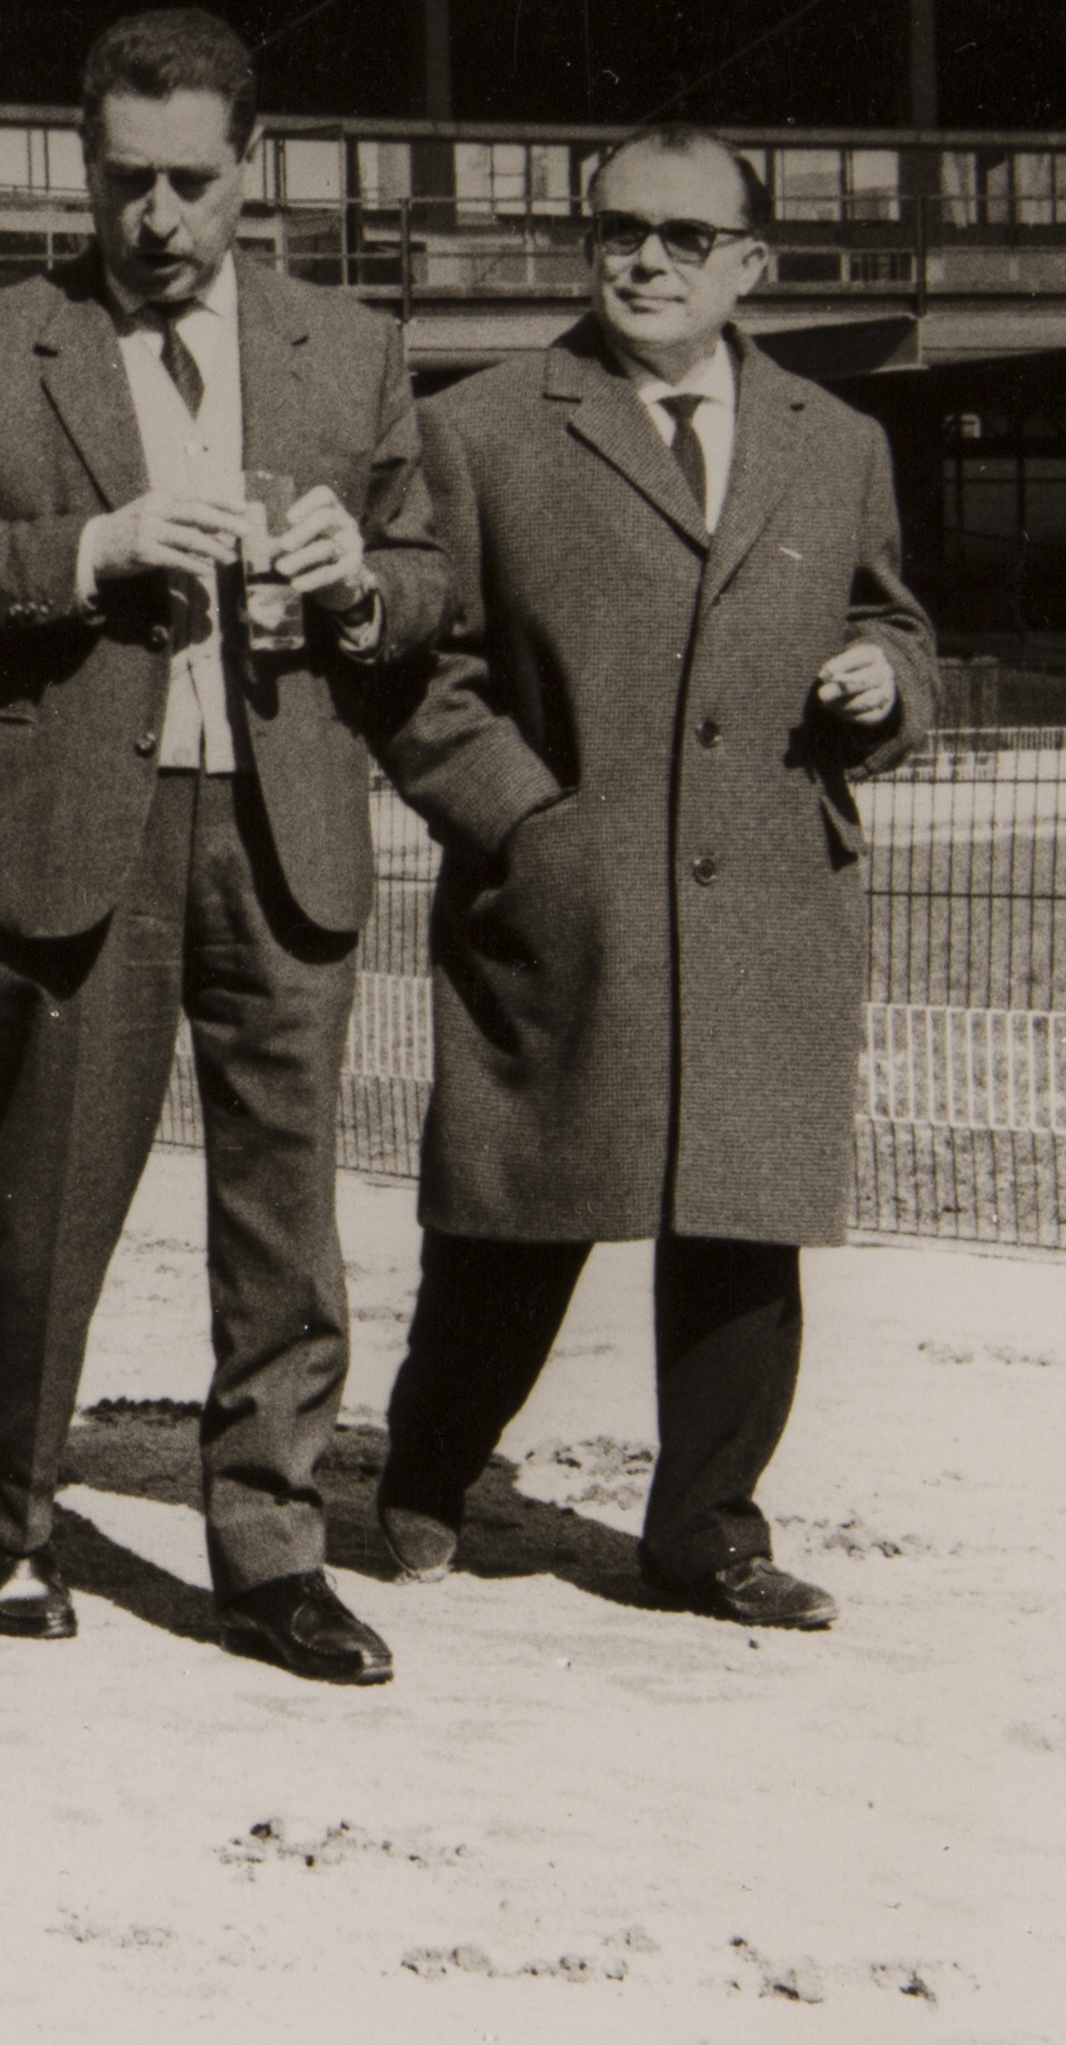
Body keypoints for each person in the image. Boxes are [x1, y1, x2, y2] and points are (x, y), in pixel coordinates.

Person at [0, 5, 441, 1685]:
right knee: (40, 1209)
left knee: (285, 1222)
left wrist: (358, 577)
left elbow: (425, 582)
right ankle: (11, 1528)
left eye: (190, 182)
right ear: (83, 171)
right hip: (70, 838)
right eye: (124, 182)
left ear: (250, 172)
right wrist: (92, 546)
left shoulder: (353, 347)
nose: (156, 218)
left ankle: (269, 1553)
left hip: (284, 827)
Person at [370, 130, 937, 1631]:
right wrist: (522, 823)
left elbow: (899, 624)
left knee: (742, 1231)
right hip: (563, 898)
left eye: (685, 238)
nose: (642, 260)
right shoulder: (480, 427)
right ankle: (426, 1468)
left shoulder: (835, 438)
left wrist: (885, 678)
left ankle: (704, 1531)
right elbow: (423, 674)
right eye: (616, 230)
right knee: (512, 1218)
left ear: (751, 262)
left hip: (765, 899)